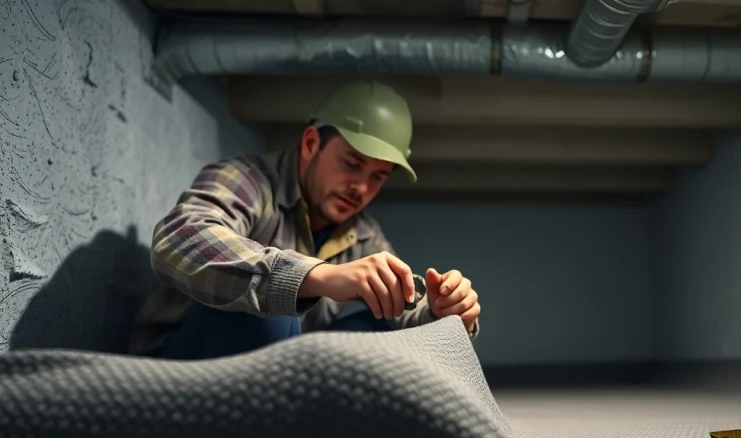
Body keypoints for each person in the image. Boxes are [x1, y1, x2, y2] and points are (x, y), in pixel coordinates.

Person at [128, 80, 481, 360]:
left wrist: (443, 311)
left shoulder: (363, 234)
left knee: (379, 330)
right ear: (311, 143)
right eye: (353, 164)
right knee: (271, 307)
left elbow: (404, 313)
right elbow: (177, 239)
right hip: (179, 364)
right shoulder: (248, 178)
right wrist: (316, 276)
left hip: (275, 375)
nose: (360, 187)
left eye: (379, 176)